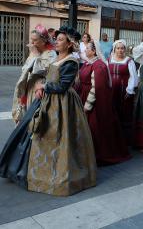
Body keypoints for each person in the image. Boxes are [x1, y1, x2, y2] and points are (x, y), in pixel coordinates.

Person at [1, 27, 96, 196]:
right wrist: (42, 87)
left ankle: (60, 175)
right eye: (56, 39)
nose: (56, 42)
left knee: (59, 137)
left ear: (69, 44)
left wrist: (44, 86)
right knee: (32, 130)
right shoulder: (57, 57)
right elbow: (51, 77)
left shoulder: (71, 62)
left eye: (60, 40)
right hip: (47, 99)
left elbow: (63, 86)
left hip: (63, 104)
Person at [77, 41, 130, 164]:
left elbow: (97, 89)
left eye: (87, 49)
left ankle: (95, 155)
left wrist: (87, 106)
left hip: (93, 104)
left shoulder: (99, 66)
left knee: (94, 129)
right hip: (83, 96)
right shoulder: (87, 63)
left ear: (94, 51)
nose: (85, 50)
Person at [12, 25, 57, 123]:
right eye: (31, 39)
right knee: (25, 113)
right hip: (29, 85)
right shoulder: (33, 52)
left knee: (36, 116)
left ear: (44, 41)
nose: (32, 43)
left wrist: (36, 55)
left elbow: (48, 72)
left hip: (40, 88)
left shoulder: (51, 53)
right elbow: (25, 68)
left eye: (35, 40)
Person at [108, 39, 139, 144]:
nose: (120, 50)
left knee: (123, 114)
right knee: (111, 113)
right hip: (111, 91)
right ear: (114, 49)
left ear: (125, 49)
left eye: (122, 48)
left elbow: (133, 77)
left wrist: (129, 90)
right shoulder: (109, 59)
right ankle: (112, 138)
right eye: (118, 48)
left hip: (123, 92)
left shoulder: (129, 61)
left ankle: (123, 140)